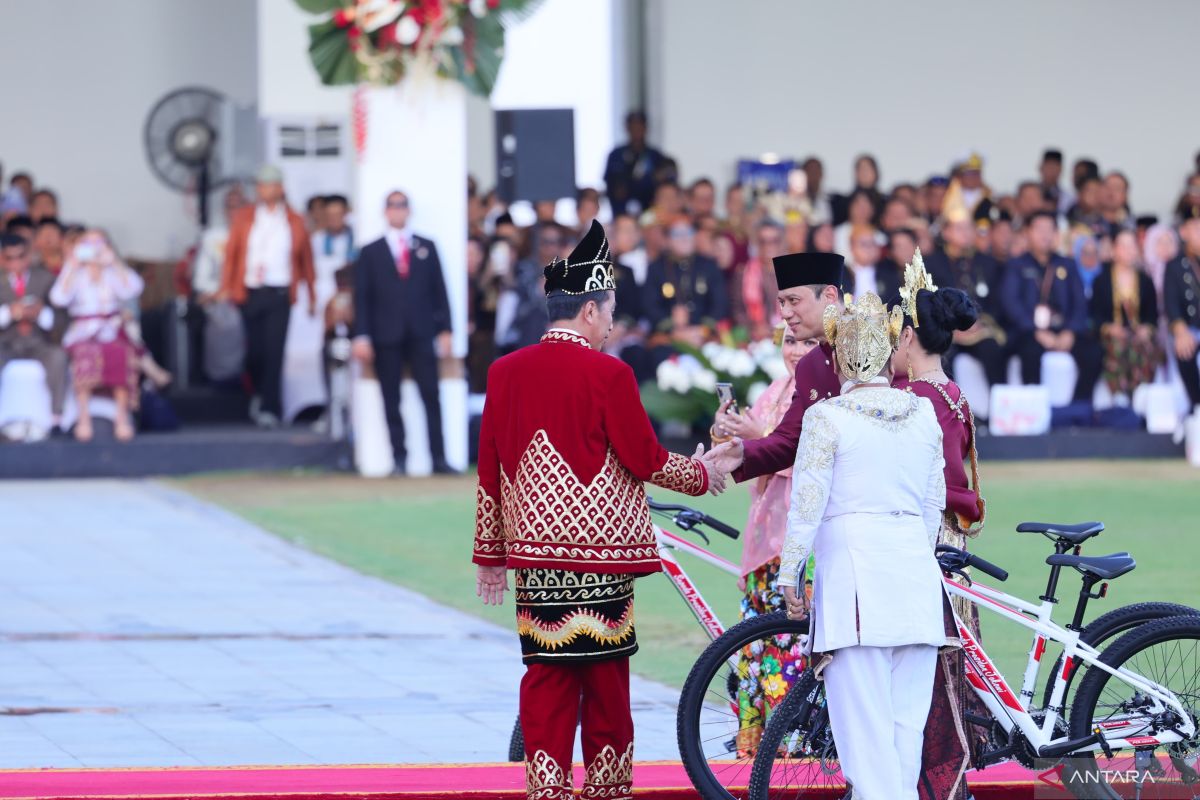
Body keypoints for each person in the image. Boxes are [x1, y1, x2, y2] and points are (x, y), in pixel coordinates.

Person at [472, 220, 727, 800]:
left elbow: (491, 469)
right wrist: (703, 473)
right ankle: (607, 793)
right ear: (590, 310)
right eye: (609, 310)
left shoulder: (503, 372)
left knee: (545, 682)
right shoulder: (609, 373)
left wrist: (490, 556)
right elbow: (643, 458)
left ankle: (548, 791)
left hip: (536, 559)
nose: (613, 323)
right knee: (607, 686)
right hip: (600, 561)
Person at [779, 291, 951, 800]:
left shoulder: (827, 418)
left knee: (866, 740)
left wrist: (789, 573)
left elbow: (807, 503)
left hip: (856, 583)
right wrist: (910, 556)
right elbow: (931, 505)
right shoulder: (921, 413)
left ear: (837, 356)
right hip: (915, 580)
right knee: (904, 738)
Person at [890, 255, 987, 800]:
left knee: (927, 669)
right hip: (950, 537)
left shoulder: (915, 401)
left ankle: (936, 778)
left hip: (925, 542)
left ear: (908, 338)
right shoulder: (954, 394)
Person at [714, 325, 819, 753]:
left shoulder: (821, 395)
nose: (796, 351)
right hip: (762, 541)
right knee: (754, 643)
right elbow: (752, 459)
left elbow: (813, 467)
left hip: (799, 542)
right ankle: (753, 748)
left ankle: (793, 746)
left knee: (790, 643)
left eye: (809, 342)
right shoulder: (776, 389)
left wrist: (759, 438)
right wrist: (728, 434)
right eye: (790, 341)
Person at [352, 189, 454, 475]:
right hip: (386, 333)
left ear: (408, 210)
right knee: (391, 397)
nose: (398, 210)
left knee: (431, 394)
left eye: (402, 205)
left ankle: (438, 457)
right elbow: (363, 296)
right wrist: (361, 335)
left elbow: (440, 291)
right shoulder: (371, 251)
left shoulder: (426, 246)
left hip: (421, 331)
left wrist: (446, 329)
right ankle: (399, 457)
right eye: (393, 206)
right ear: (386, 211)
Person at [219, 165, 316, 427]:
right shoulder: (246, 217)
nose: (266, 190)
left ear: (281, 188)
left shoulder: (294, 220)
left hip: (280, 291)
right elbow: (232, 254)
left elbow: (306, 260)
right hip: (250, 291)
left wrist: (312, 295)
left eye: (271, 185)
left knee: (275, 351)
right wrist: (226, 287)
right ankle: (259, 393)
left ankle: (271, 407)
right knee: (255, 352)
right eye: (262, 185)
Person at [49, 231, 145, 442]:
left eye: (98, 243)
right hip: (82, 330)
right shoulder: (75, 270)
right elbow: (58, 299)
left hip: (110, 329)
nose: (93, 248)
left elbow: (133, 289)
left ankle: (121, 417)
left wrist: (115, 264)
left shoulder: (111, 269)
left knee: (120, 353)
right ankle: (83, 417)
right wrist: (72, 266)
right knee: (84, 355)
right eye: (87, 243)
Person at [1001, 211, 1102, 401]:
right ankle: (1034, 407)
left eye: (1050, 229)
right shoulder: (1016, 265)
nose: (1045, 235)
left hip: (1064, 330)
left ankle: (1078, 408)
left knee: (1093, 353)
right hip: (1029, 331)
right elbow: (1011, 302)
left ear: (1057, 234)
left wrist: (1070, 331)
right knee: (1029, 352)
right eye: (1039, 229)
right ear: (1027, 233)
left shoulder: (1068, 264)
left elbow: (1080, 302)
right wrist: (1035, 330)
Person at [925, 213, 1008, 390]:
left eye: (969, 227)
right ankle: (950, 409)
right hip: (946, 330)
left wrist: (978, 322)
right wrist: (951, 326)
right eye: (959, 228)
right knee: (943, 355)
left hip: (979, 328)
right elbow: (928, 301)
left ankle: (999, 410)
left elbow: (997, 302)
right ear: (946, 232)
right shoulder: (931, 263)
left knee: (992, 349)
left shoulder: (987, 262)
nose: (966, 233)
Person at [0, 233, 67, 434]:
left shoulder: (46, 279)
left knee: (58, 357)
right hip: (6, 344)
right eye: (10, 258)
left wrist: (41, 313)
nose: (17, 263)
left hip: (39, 343)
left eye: (21, 256)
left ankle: (57, 419)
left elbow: (63, 320)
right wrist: (9, 313)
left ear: (29, 255)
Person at [1090, 229, 1162, 400]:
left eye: (1132, 246)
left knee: (1144, 346)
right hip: (1112, 334)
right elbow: (1095, 314)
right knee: (1118, 345)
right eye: (1123, 246)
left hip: (1139, 334)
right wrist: (1109, 328)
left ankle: (1141, 396)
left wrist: (1147, 329)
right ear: (1114, 250)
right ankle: (1119, 395)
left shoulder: (1145, 280)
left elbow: (1152, 315)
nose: (1129, 250)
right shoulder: (1102, 280)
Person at [641, 218, 729, 347]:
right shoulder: (656, 268)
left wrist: (702, 330)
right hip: (669, 338)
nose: (684, 238)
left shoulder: (708, 265)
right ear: (668, 240)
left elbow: (720, 303)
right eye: (678, 234)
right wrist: (673, 329)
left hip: (705, 336)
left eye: (688, 232)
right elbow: (649, 306)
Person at [1164, 210, 1200, 408]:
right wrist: (1180, 331)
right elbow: (1172, 305)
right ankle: (1197, 406)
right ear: (1184, 232)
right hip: (1191, 330)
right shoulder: (1176, 266)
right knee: (1185, 351)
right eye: (1196, 228)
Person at [603, 110, 667, 216]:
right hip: (621, 214)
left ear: (646, 128)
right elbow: (610, 185)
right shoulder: (616, 155)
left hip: (650, 216)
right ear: (627, 128)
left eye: (639, 126)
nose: (636, 130)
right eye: (633, 126)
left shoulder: (655, 156)